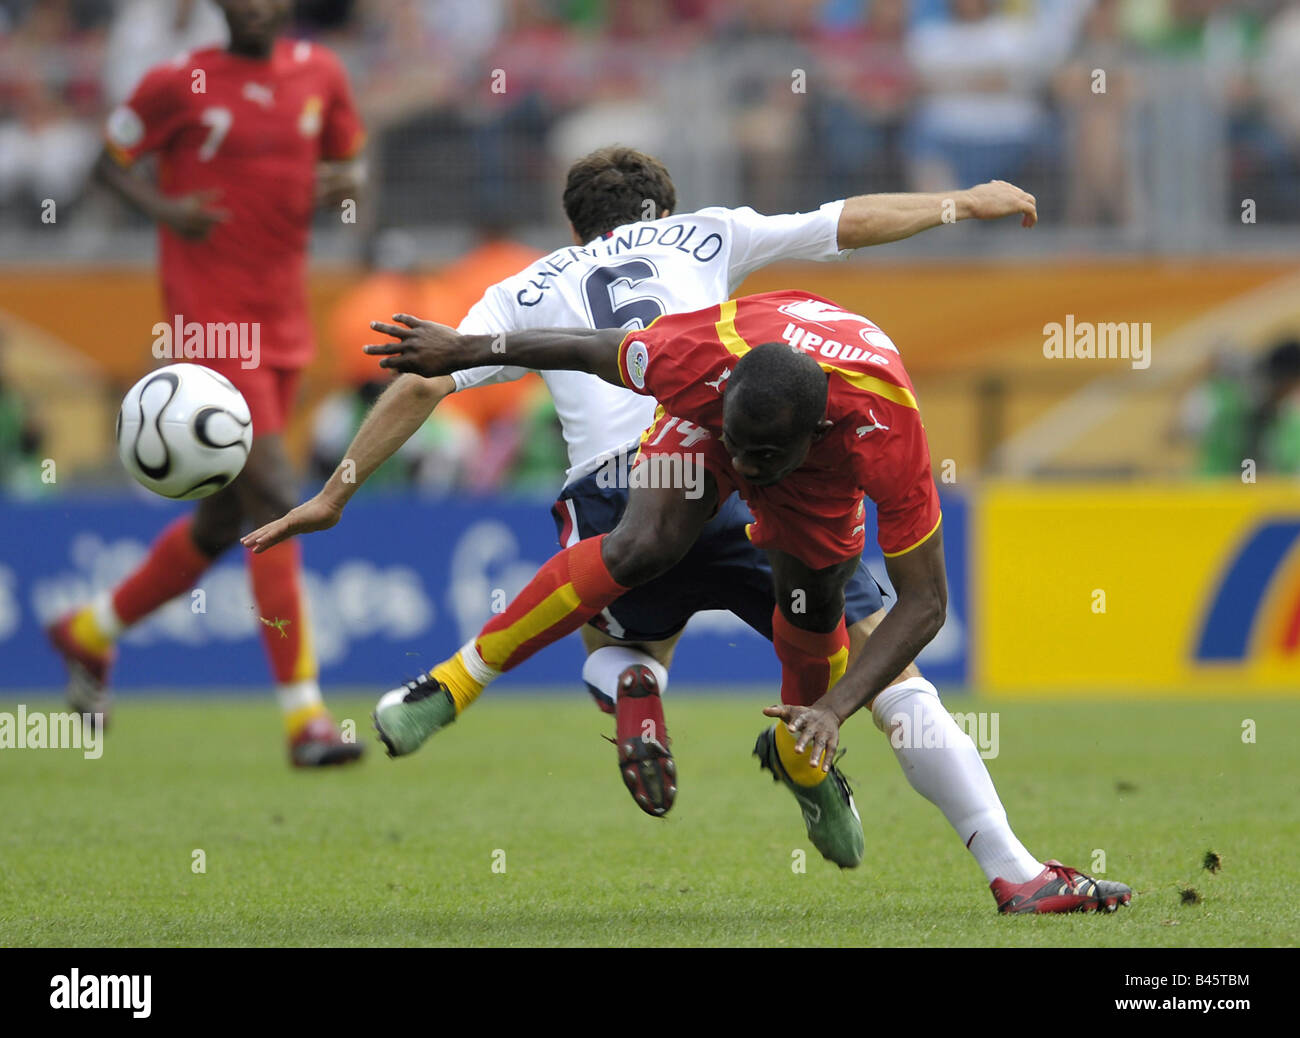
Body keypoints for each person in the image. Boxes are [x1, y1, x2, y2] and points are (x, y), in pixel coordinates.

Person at [244, 147, 1035, 821]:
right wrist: (958, 203)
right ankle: (830, 773)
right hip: (732, 453)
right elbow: (842, 224)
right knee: (884, 678)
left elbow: (423, 381)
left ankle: (621, 681)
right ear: (661, 209)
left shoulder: (524, 287)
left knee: (614, 631)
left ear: (576, 226)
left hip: (610, 485)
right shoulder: (706, 232)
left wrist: (335, 491)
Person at [357, 289, 1134, 915]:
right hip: (692, 425)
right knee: (640, 546)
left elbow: (925, 604)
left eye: (765, 456)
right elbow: (586, 347)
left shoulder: (880, 429)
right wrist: (468, 351)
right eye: (742, 447)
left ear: (814, 429)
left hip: (817, 494)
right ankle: (455, 681)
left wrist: (834, 708)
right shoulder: (697, 363)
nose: (747, 469)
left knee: (811, 627)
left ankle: (804, 760)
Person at [46, 0, 366, 767]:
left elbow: (348, 169)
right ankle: (307, 719)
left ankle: (89, 631)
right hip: (211, 324)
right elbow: (104, 165)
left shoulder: (321, 74)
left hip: (285, 321)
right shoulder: (176, 83)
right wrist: (166, 209)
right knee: (279, 498)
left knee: (227, 521)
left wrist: (343, 197)